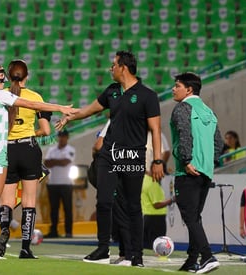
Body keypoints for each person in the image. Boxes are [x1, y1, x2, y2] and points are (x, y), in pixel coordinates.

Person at [57, 51, 165, 266]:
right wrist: (70, 116)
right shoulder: (112, 92)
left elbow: (155, 129)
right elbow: (88, 110)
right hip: (109, 155)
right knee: (104, 202)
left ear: (123, 67)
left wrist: (158, 160)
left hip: (134, 157)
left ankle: (137, 255)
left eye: (113, 65)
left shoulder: (147, 96)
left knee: (134, 205)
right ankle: (103, 248)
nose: (110, 69)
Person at [0, 61, 75, 259]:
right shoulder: (2, 94)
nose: (2, 78)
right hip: (6, 151)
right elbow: (33, 106)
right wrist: (60, 107)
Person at [0, 59, 52, 259]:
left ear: (8, 77)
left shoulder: (1, 96)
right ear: (27, 76)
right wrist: (31, 133)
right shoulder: (35, 97)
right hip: (28, 148)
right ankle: (26, 248)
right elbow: (46, 130)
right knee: (29, 201)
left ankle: (4, 229)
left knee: (6, 200)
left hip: (7, 149)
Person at [170, 72, 223, 273]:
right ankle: (192, 260)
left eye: (177, 86)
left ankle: (207, 256)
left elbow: (184, 134)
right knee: (195, 216)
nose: (173, 89)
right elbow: (219, 143)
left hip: (188, 171)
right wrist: (209, 163)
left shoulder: (182, 108)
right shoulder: (209, 111)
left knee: (190, 217)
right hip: (206, 171)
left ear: (189, 89)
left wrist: (185, 160)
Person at [141, 130, 173, 249]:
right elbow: (157, 204)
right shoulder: (153, 183)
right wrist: (172, 200)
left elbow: (166, 152)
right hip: (155, 217)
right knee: (157, 243)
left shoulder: (145, 181)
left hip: (146, 215)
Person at [43, 129, 76, 238]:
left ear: (67, 137)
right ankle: (54, 231)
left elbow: (66, 162)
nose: (61, 138)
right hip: (53, 183)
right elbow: (46, 163)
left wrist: (54, 161)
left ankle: (68, 232)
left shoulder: (70, 149)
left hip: (66, 183)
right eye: (60, 136)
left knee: (67, 209)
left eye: (63, 136)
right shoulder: (52, 149)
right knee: (53, 209)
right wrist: (59, 161)